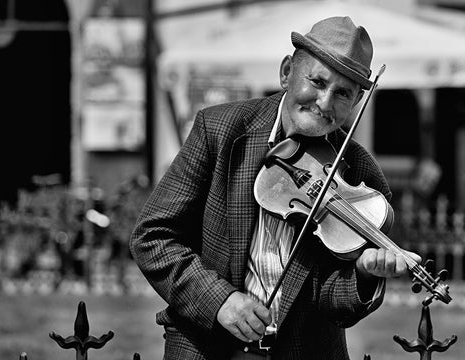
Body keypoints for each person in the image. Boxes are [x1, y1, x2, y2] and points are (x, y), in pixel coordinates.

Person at [130, 16, 422, 360]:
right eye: (316, 81)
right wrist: (219, 299)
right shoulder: (219, 131)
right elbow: (153, 236)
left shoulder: (359, 175)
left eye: (342, 93)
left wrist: (363, 275)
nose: (325, 103)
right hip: (204, 346)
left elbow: (333, 301)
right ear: (286, 72)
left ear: (357, 101)